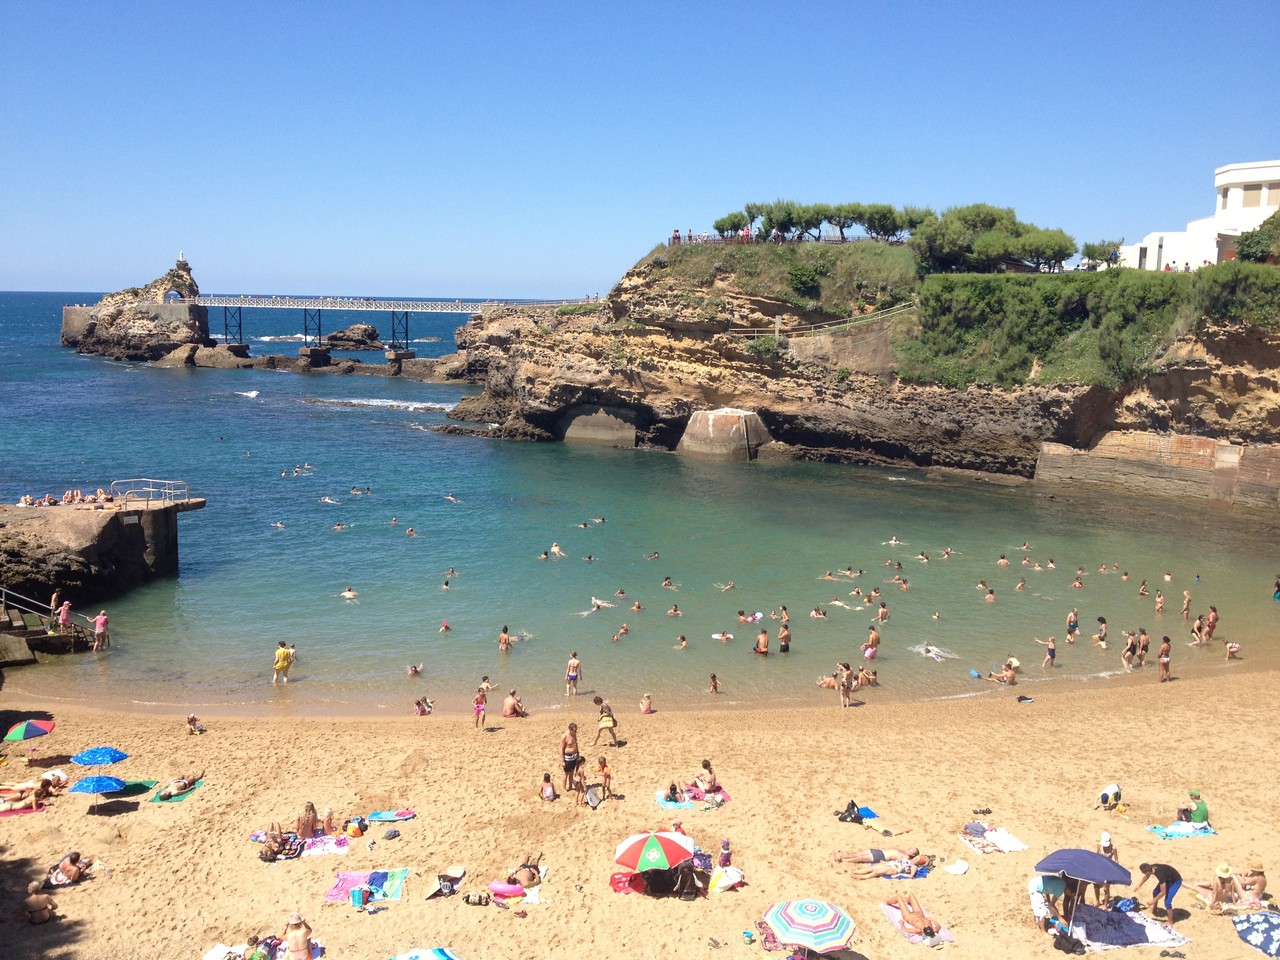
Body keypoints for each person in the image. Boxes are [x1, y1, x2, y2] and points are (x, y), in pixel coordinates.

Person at [1094, 832, 1119, 904]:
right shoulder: (1099, 845)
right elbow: (1096, 856)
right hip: (1099, 867)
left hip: (1108, 869)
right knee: (1096, 886)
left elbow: (1116, 860)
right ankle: (1097, 901)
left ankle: (1105, 904)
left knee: (1106, 888)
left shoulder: (1113, 848)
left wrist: (1116, 869)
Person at [835, 845, 919, 864]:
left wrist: (886, 863)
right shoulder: (903, 851)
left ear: (913, 854)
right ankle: (841, 855)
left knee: (860, 858)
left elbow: (899, 863)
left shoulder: (906, 857)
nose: (909, 849)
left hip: (881, 856)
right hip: (879, 851)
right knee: (858, 854)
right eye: (911, 848)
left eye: (912, 850)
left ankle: (842, 860)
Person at [850, 857, 919, 880]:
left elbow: (911, 876)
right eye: (917, 857)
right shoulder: (907, 858)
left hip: (894, 869)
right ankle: (856, 872)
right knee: (871, 868)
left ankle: (861, 877)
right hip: (889, 864)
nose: (916, 859)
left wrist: (899, 875)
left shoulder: (914, 867)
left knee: (876, 872)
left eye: (918, 859)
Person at [559, 723, 579, 793]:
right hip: (568, 756)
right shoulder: (564, 736)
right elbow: (561, 748)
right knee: (566, 773)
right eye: (574, 730)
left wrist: (578, 753)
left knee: (572, 772)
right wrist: (562, 760)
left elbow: (576, 743)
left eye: (576, 730)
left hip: (574, 755)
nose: (575, 732)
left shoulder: (574, 734)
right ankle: (563, 788)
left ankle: (570, 786)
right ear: (570, 729)